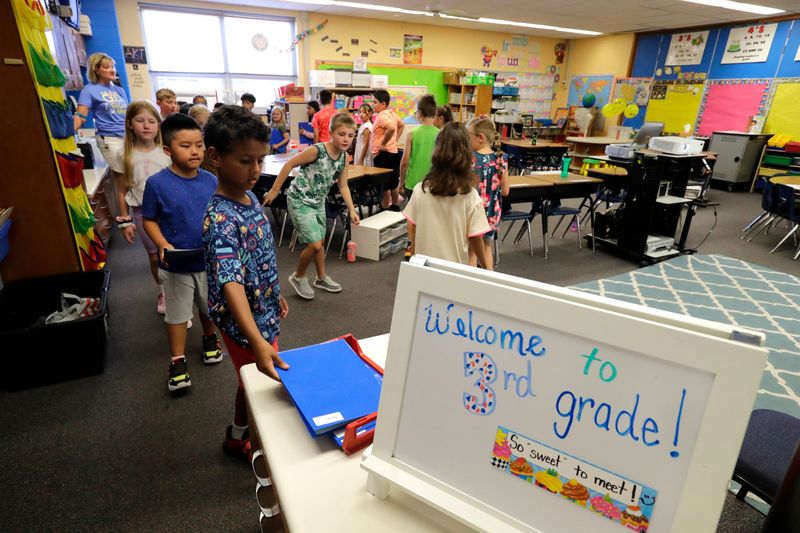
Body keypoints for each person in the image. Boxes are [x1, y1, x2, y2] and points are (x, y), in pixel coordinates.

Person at [202, 105, 289, 461]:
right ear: (216, 158)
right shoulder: (220, 218)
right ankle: (256, 442)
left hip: (265, 309)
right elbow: (231, 282)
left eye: (260, 160)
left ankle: (238, 434)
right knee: (260, 384)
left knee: (250, 381)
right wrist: (255, 339)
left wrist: (276, 291)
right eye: (244, 161)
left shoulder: (249, 195)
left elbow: (261, 254)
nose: (255, 171)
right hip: (244, 323)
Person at [141, 113, 223, 393]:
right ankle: (177, 360)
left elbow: (218, 212)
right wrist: (161, 243)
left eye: (199, 145)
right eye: (186, 146)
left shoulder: (211, 180)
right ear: (167, 150)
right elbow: (149, 219)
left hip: (209, 259)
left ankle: (210, 339)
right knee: (176, 314)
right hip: (176, 262)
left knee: (209, 306)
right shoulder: (157, 183)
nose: (195, 151)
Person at [263, 112, 360, 300]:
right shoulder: (317, 150)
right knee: (315, 244)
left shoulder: (343, 158)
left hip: (317, 203)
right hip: (299, 200)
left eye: (350, 135)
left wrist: (352, 209)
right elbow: (290, 164)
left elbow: (343, 185)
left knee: (320, 242)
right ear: (331, 133)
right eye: (341, 134)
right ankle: (298, 276)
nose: (346, 139)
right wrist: (275, 189)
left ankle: (321, 277)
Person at [111, 100, 172, 315]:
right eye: (140, 120)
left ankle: (178, 292)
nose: (146, 126)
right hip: (142, 212)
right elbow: (121, 190)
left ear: (158, 125)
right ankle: (164, 290)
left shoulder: (166, 153)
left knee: (172, 252)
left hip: (169, 212)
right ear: (129, 124)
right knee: (155, 256)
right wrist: (125, 221)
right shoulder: (124, 155)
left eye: (152, 121)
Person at [402, 123, 491, 268]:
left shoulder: (421, 190)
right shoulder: (470, 195)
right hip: (454, 271)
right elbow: (475, 237)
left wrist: (413, 255)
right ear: (467, 155)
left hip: (424, 267)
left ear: (437, 151)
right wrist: (486, 266)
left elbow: (412, 227)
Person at [467, 116, 509, 269]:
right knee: (486, 248)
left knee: (471, 251)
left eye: (468, 136)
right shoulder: (501, 159)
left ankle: (469, 285)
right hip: (493, 213)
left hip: (474, 213)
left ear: (480, 138)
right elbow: (505, 191)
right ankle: (489, 279)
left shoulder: (471, 159)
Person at [73, 53, 129, 165]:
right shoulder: (89, 90)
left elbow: (128, 115)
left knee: (132, 174)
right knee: (121, 174)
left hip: (127, 137)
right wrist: (68, 135)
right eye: (107, 67)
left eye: (112, 66)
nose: (112, 70)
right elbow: (80, 115)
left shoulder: (119, 90)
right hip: (109, 139)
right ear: (96, 70)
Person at [370, 89, 404, 210]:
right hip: (392, 153)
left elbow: (391, 128)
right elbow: (401, 125)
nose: (372, 105)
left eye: (375, 102)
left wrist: (383, 143)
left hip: (383, 155)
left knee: (385, 186)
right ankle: (394, 206)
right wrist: (394, 141)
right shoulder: (391, 113)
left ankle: (384, 209)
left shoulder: (382, 115)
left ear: (383, 104)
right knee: (393, 183)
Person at [399, 94, 438, 199]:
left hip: (413, 182)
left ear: (419, 114)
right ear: (435, 114)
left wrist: (401, 181)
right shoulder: (441, 134)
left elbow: (405, 161)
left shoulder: (411, 133)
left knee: (413, 214)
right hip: (434, 183)